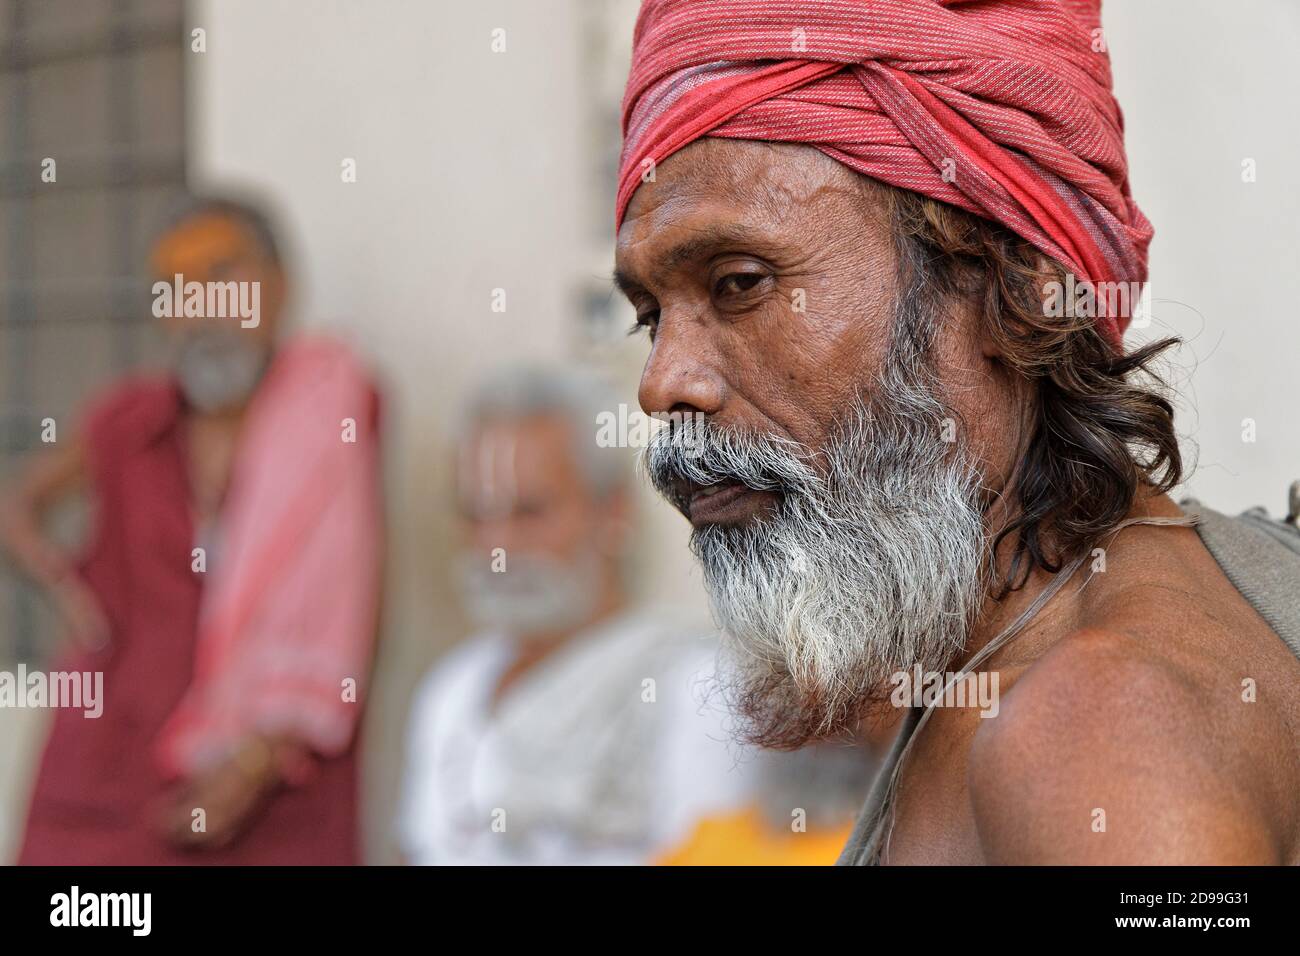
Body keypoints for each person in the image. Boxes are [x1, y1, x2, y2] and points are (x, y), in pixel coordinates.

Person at [612, 0, 1300, 864]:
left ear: (1007, 282)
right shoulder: (1031, 644)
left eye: (742, 283)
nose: (661, 382)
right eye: (649, 314)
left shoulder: (1095, 732)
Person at [0, 194, 384, 864]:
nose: (200, 307)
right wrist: (71, 592)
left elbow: (350, 608)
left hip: (278, 796)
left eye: (220, 275)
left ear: (280, 283)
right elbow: (16, 508)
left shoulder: (337, 410)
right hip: (110, 780)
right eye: (174, 286)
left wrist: (257, 760)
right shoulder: (128, 421)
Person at [398, 366, 863, 864]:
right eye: (477, 514)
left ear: (613, 512)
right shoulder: (452, 689)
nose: (497, 547)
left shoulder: (699, 689)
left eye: (527, 512)